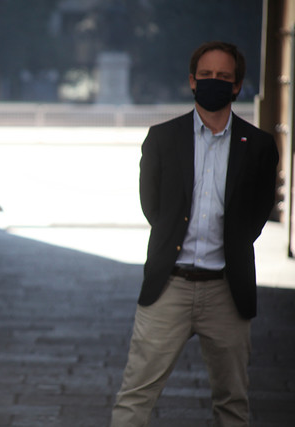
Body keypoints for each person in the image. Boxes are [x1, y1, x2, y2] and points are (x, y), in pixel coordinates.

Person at [110, 41, 279, 427]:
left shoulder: (259, 147)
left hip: (226, 290)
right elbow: (152, 206)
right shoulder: (162, 138)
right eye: (206, 76)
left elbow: (255, 215)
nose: (213, 82)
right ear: (191, 81)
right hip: (169, 287)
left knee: (233, 402)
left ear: (237, 86)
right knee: (135, 397)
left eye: (223, 77)